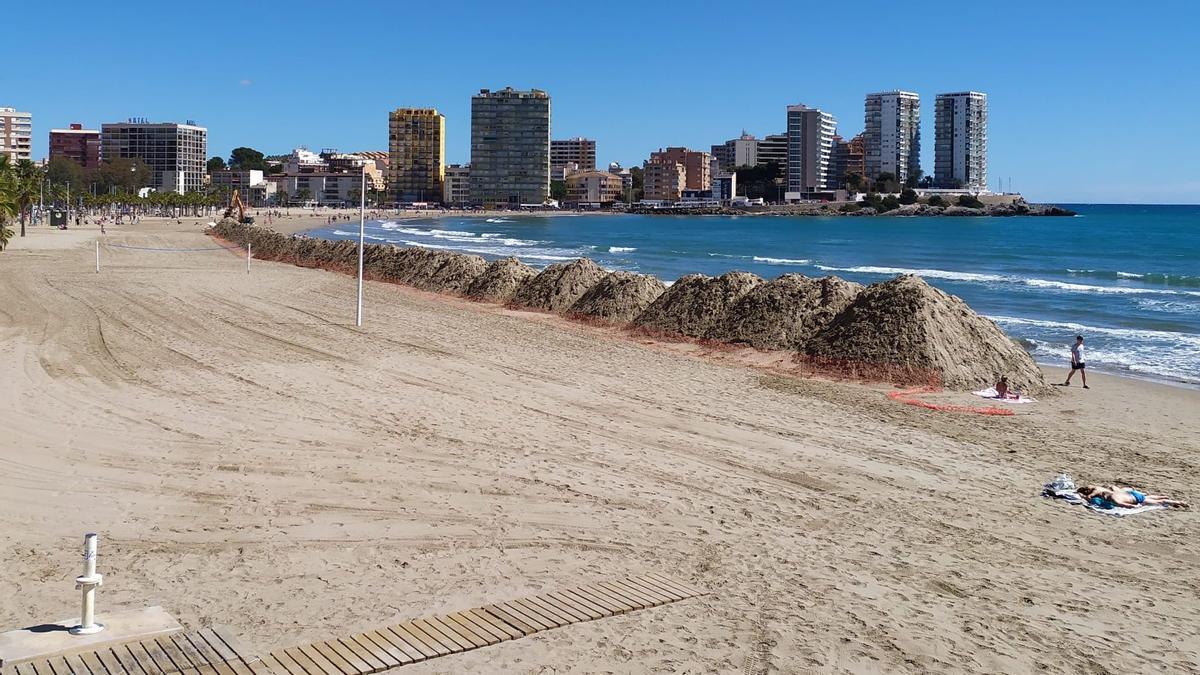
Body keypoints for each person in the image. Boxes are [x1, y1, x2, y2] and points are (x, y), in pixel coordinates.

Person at [1077, 484, 1189, 509]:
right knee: (1149, 497)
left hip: (1134, 499)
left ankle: (1178, 502)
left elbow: (1122, 504)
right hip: (1132, 494)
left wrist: (1135, 507)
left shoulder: (1113, 498)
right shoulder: (1111, 491)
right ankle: (1164, 497)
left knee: (1159, 502)